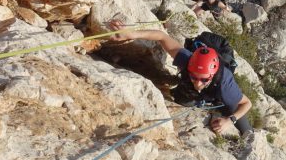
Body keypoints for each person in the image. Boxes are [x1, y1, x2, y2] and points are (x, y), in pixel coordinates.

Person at [108, 20, 253, 135]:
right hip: (198, 86)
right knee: (183, 100)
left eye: (203, 79)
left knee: (233, 107)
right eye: (194, 76)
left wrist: (230, 120)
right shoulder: (188, 60)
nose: (198, 83)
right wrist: (132, 34)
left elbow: (247, 104)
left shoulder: (225, 85)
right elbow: (161, 36)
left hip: (218, 91)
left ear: (212, 75)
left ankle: (249, 133)